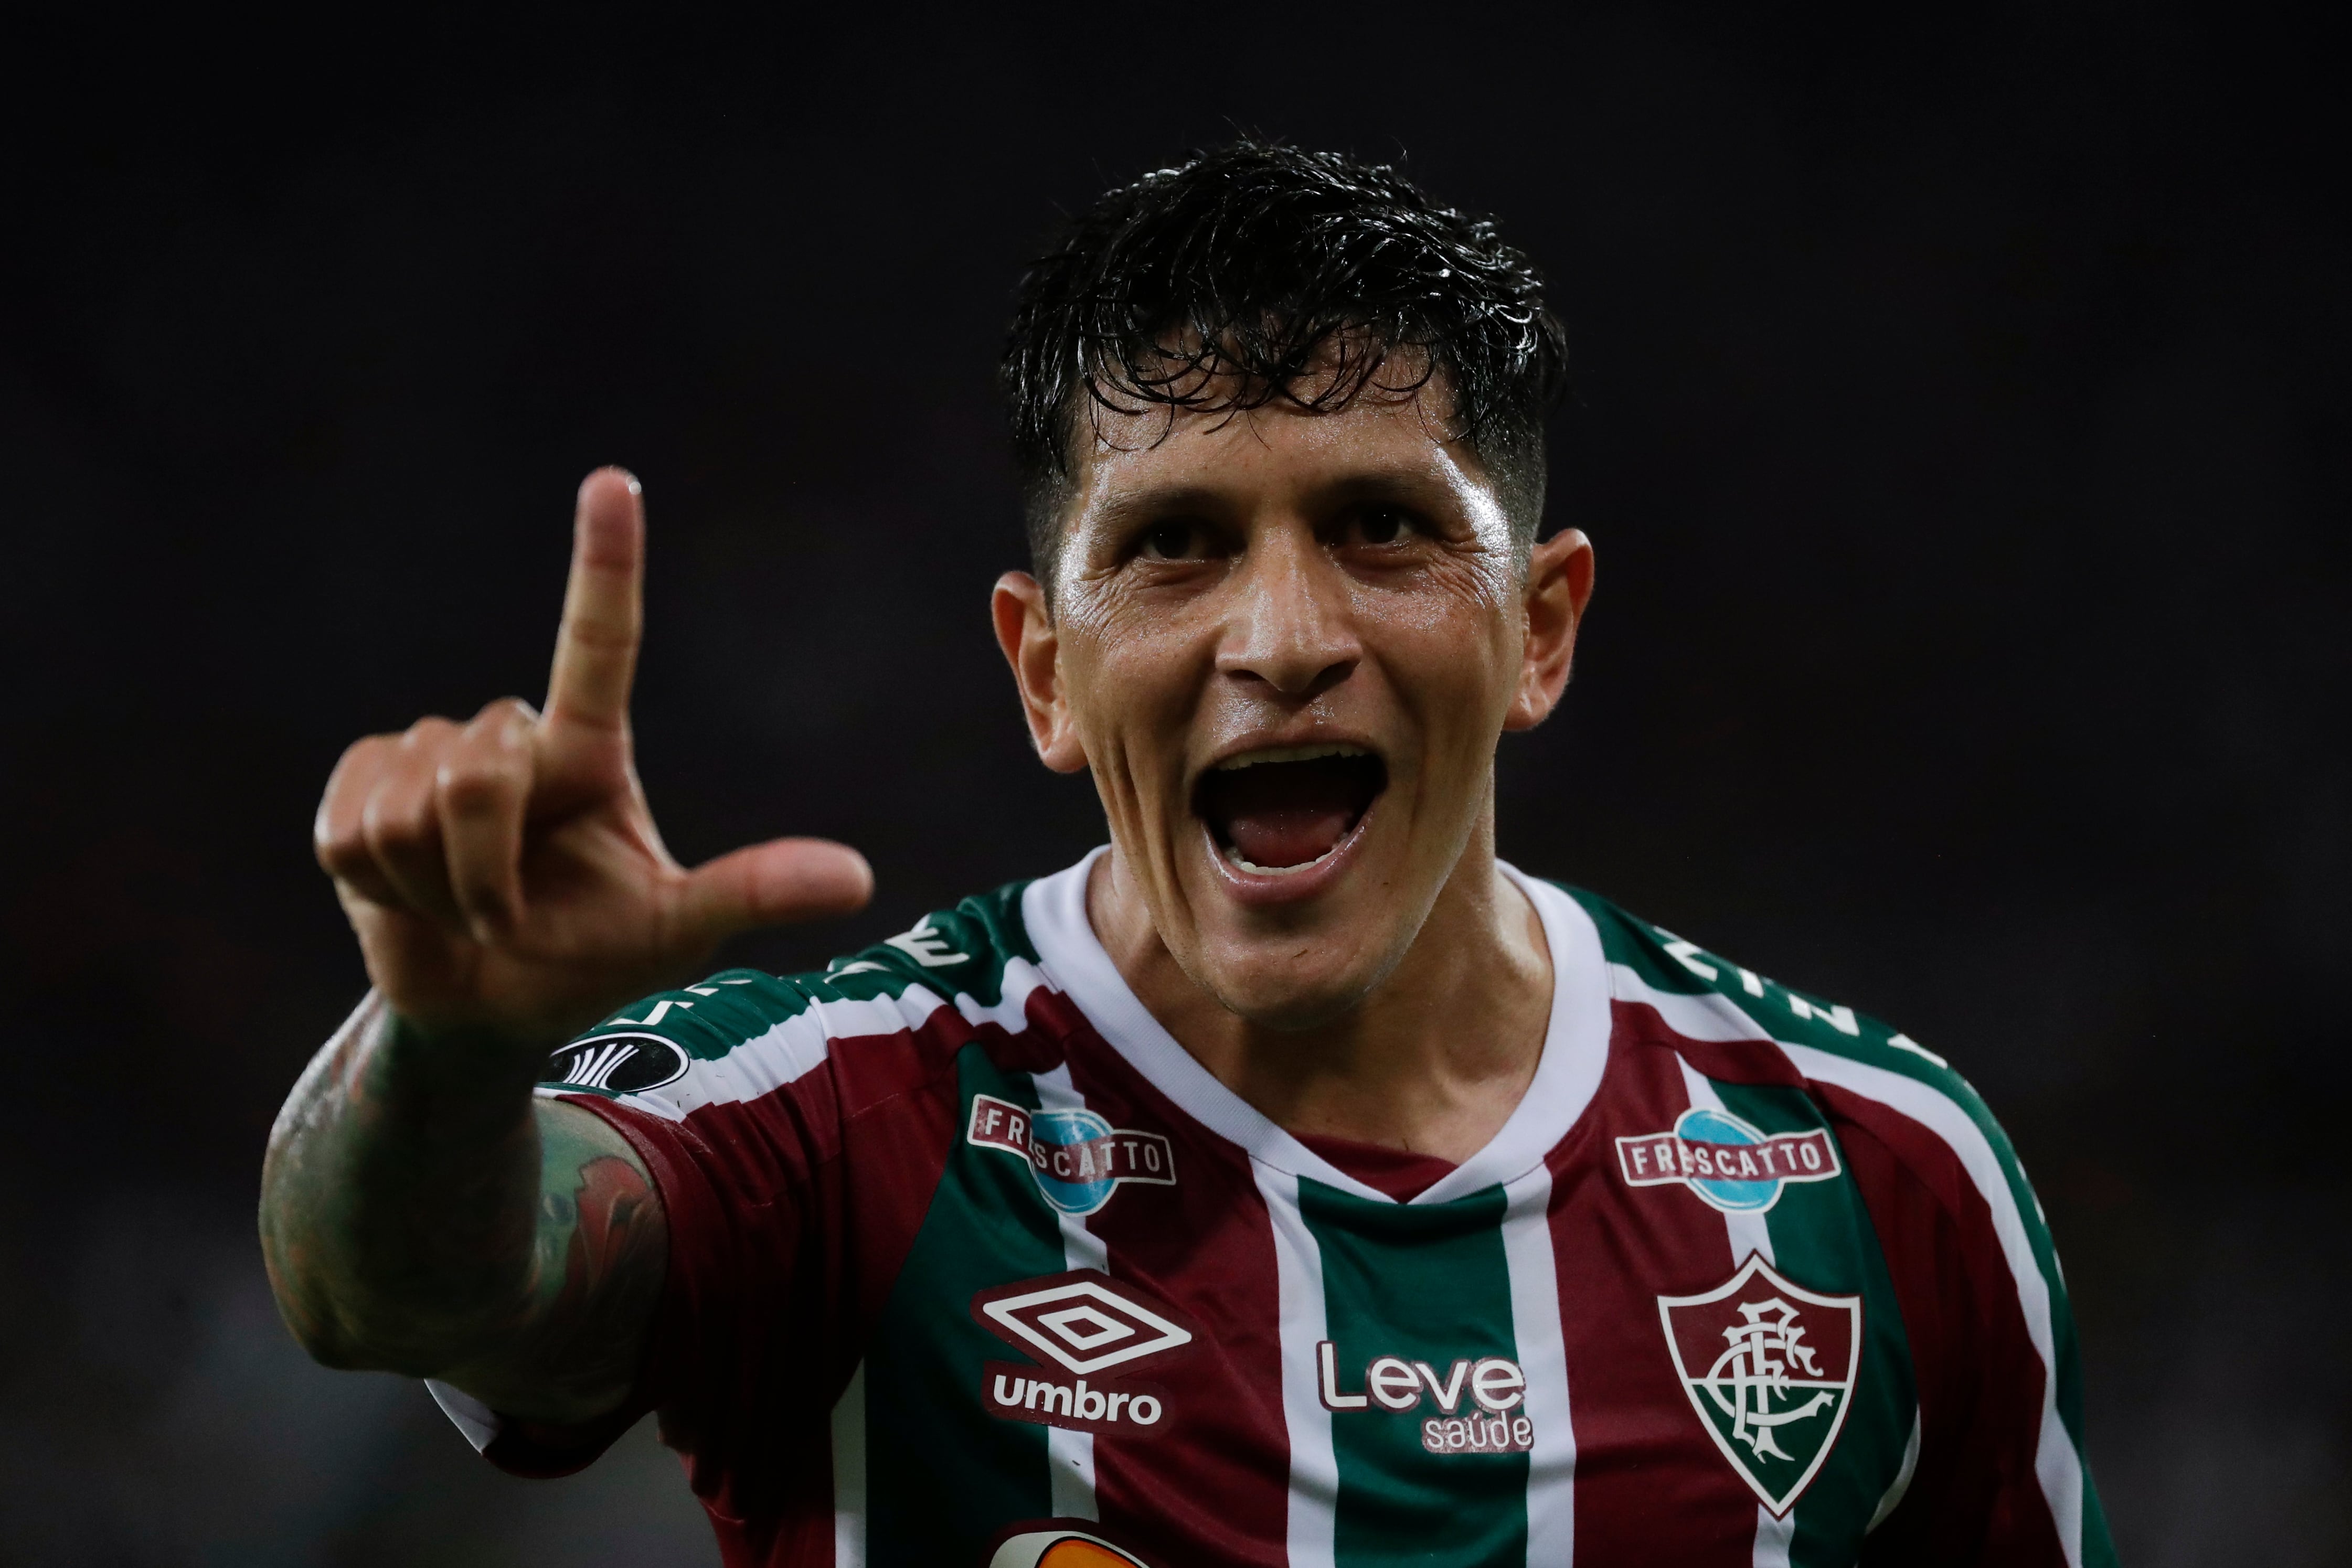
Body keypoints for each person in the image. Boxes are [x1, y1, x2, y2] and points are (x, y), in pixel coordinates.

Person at [261, 142, 2115, 1568]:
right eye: (1174, 545)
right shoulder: (847, 1117)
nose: (1281, 637)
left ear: (1539, 630)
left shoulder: (1879, 1176)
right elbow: (389, 1290)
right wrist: (447, 1046)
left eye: (1381, 527)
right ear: (1044, 672)